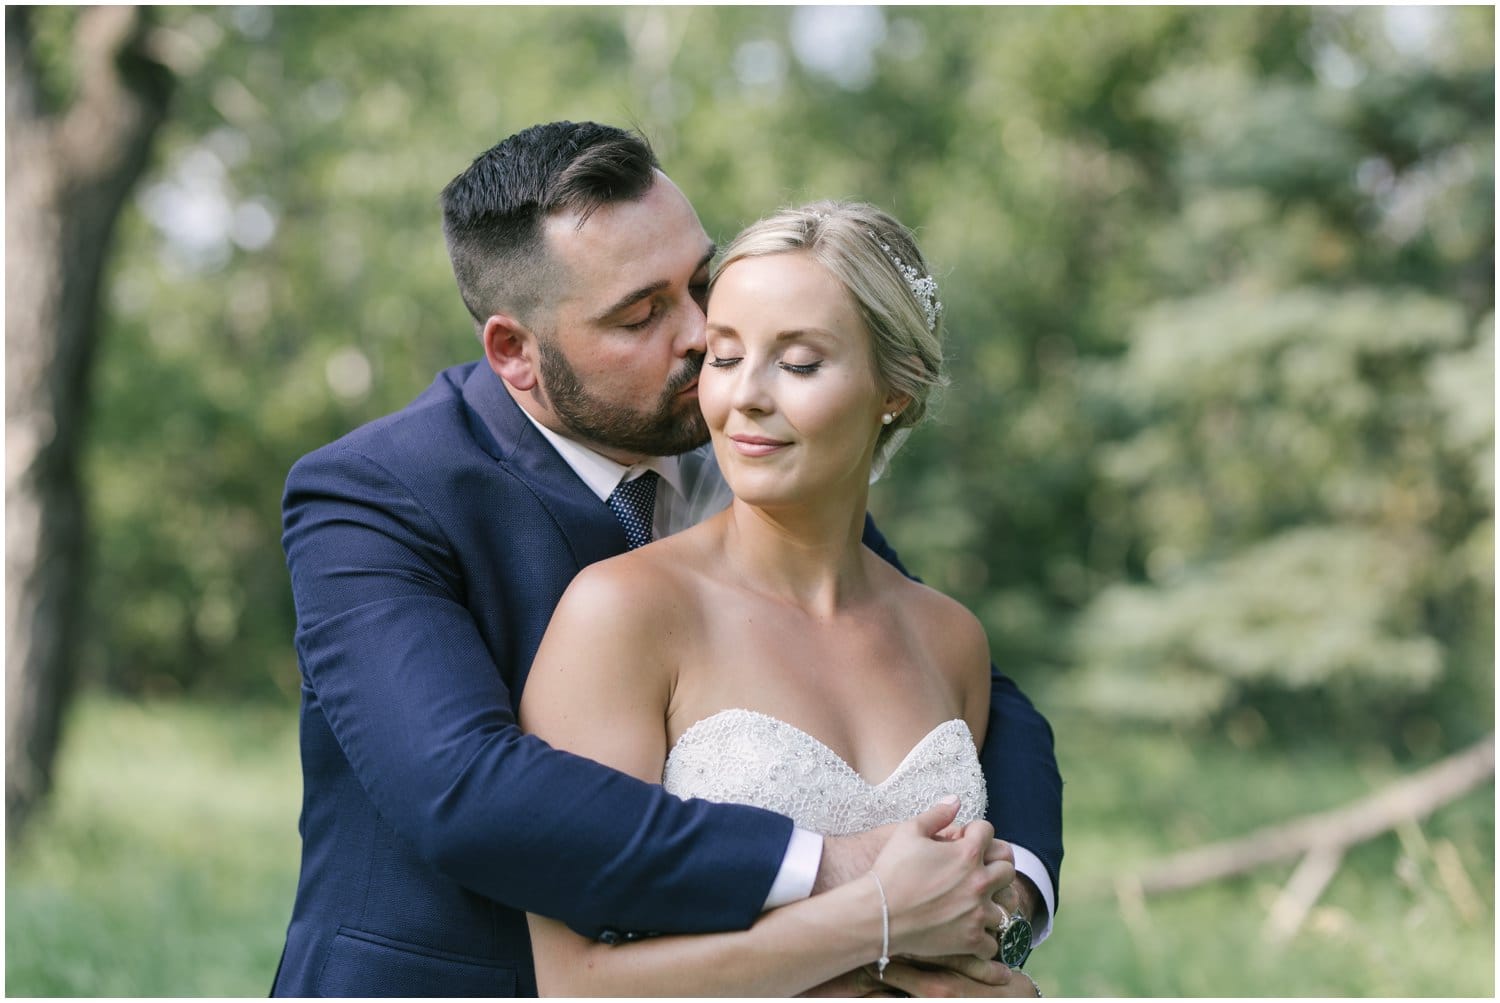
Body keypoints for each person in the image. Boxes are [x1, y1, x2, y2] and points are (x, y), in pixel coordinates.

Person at [272, 121, 1061, 997]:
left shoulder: (746, 447)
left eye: (700, 281)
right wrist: (845, 876)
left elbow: (945, 673)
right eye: (642, 313)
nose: (700, 335)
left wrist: (999, 900)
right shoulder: (378, 494)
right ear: (515, 354)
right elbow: (465, 792)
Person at [520, 199, 1048, 996]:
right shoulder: (625, 613)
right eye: (725, 358)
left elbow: (977, 923)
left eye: (798, 364)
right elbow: (579, 981)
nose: (746, 398)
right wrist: (875, 921)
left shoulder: (950, 638)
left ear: (894, 390)